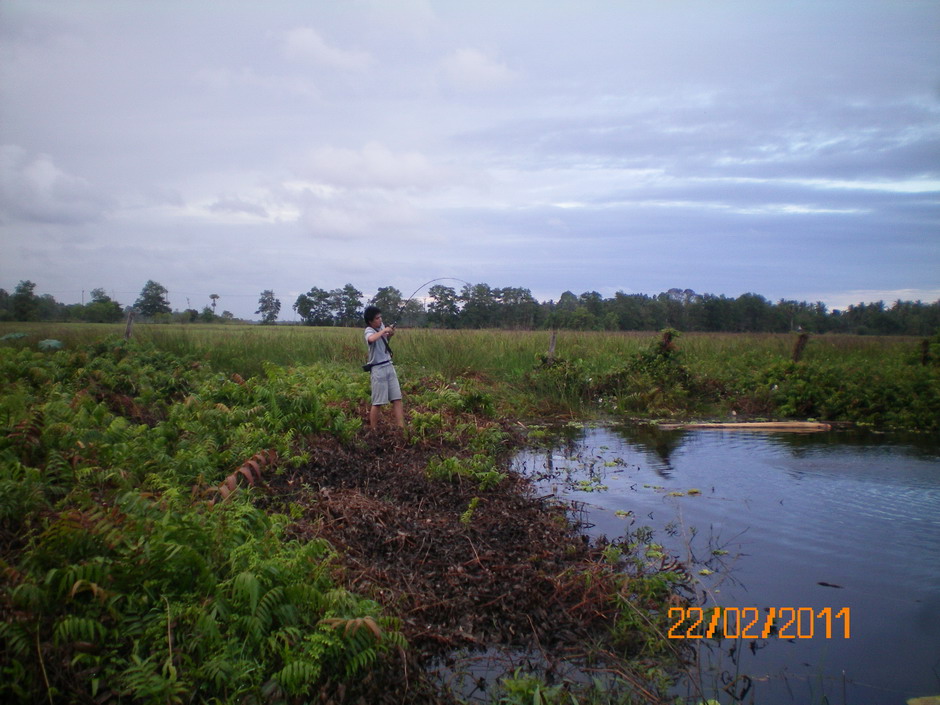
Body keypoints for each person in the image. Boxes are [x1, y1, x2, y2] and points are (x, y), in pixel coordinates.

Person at [363, 305, 404, 429]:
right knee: (378, 403)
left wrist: (390, 331)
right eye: (377, 318)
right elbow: (372, 339)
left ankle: (401, 429)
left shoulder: (381, 327)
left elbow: (387, 337)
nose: (380, 320)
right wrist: (384, 331)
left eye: (380, 317)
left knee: (397, 399)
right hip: (378, 369)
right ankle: (374, 430)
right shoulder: (368, 331)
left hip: (389, 366)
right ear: (370, 321)